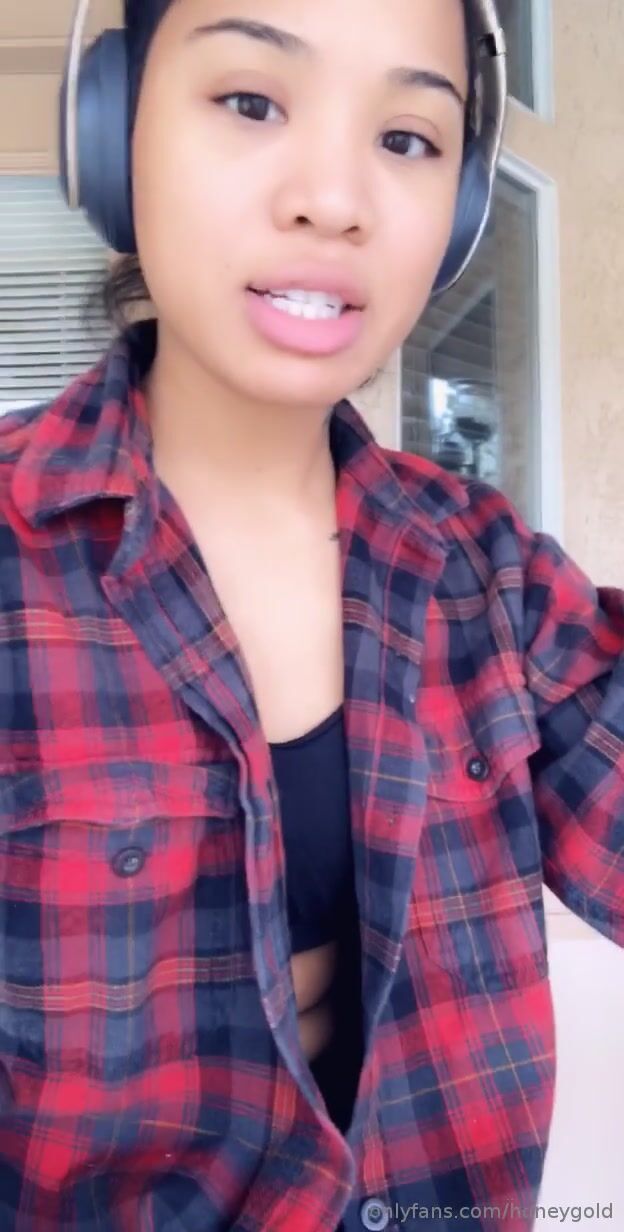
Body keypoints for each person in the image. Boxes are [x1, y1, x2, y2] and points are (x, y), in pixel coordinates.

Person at [0, 0, 621, 1229]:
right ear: (109, 134)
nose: (335, 201)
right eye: (251, 102)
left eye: (407, 139)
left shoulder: (488, 573)